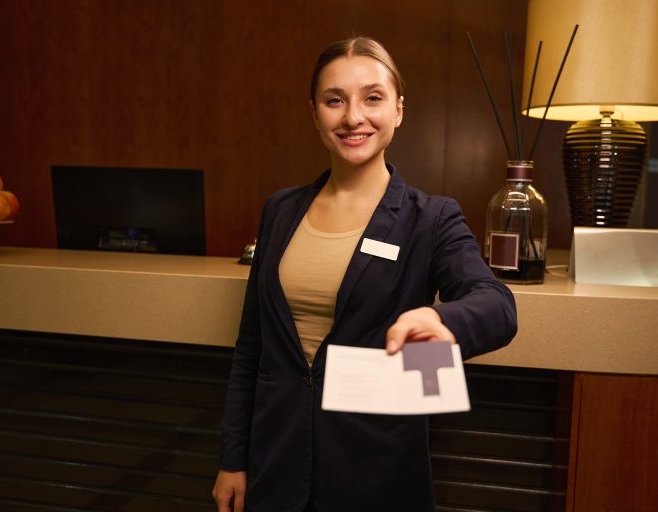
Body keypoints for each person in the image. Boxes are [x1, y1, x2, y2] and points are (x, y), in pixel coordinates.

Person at [213, 36, 517, 512]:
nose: (353, 116)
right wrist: (233, 459)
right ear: (315, 113)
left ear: (398, 109)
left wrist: (445, 322)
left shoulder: (431, 218)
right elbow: (252, 346)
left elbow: (497, 304)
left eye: (372, 98)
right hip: (276, 465)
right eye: (335, 100)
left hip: (376, 472)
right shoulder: (280, 210)